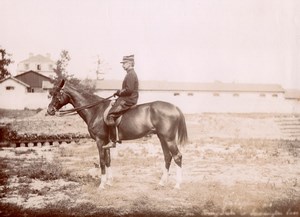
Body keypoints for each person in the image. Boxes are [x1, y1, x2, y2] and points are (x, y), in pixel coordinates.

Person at [103, 55, 139, 149]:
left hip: (129, 99)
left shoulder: (131, 74)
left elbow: (129, 90)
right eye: (122, 63)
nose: (123, 65)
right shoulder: (129, 73)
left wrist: (118, 92)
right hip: (127, 98)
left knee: (110, 115)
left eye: (125, 63)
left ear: (130, 63)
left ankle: (113, 141)